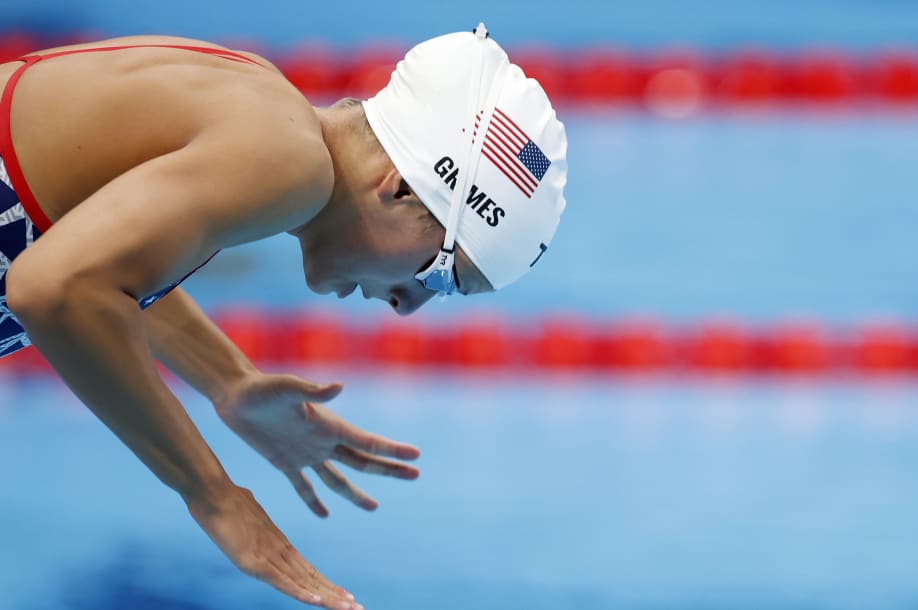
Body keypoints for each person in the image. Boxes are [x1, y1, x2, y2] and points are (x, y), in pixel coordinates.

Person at [0, 23, 567, 610]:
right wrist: (213, 494)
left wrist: (228, 380)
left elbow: (95, 260)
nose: (408, 306)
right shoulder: (289, 164)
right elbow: (52, 287)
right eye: (441, 274)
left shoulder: (265, 112)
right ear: (398, 188)